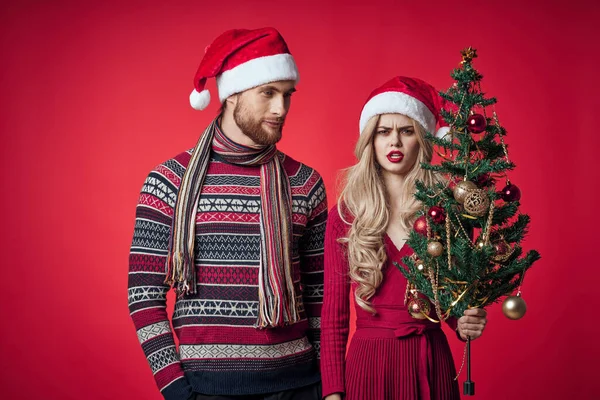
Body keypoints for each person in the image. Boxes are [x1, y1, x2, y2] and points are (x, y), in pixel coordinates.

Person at [128, 27, 327, 400]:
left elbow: (320, 297)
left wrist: (325, 384)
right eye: (267, 93)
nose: (280, 108)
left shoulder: (305, 182)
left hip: (298, 386)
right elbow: (143, 294)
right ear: (232, 94)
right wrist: (177, 391)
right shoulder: (168, 181)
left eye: (287, 95)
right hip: (206, 390)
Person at [320, 77, 488, 400]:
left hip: (429, 362)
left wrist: (466, 322)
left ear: (422, 140)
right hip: (368, 368)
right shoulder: (345, 216)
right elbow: (333, 321)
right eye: (384, 131)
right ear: (371, 140)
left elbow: (453, 303)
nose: (394, 141)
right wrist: (332, 394)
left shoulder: (446, 212)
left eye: (406, 131)